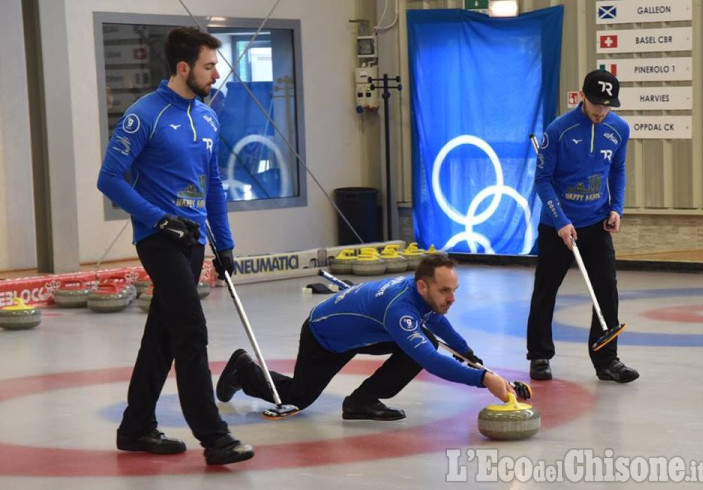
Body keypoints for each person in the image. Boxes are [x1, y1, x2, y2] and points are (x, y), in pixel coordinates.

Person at [97, 27, 253, 465]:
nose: (216, 73)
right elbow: (108, 180)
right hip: (159, 239)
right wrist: (159, 218)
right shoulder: (143, 115)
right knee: (191, 330)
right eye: (208, 66)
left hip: (195, 241)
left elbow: (214, 184)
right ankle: (215, 437)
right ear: (184, 68)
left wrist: (224, 244)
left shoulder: (207, 117)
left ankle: (135, 427)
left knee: (161, 340)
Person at [215, 255, 516, 420]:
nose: (451, 298)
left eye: (455, 290)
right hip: (325, 334)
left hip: (364, 330)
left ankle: (362, 401)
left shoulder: (420, 296)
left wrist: (472, 358)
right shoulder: (400, 310)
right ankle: (244, 369)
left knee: (426, 337)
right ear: (422, 286)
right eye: (445, 291)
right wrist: (482, 380)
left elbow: (437, 320)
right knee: (297, 397)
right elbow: (430, 361)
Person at [526, 69, 639, 384]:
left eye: (607, 105)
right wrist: (561, 221)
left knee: (606, 291)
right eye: (596, 104)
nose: (601, 111)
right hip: (557, 226)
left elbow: (617, 169)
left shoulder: (619, 129)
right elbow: (543, 180)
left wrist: (617, 208)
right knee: (546, 290)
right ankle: (539, 355)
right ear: (581, 97)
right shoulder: (559, 130)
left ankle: (607, 360)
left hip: (596, 223)